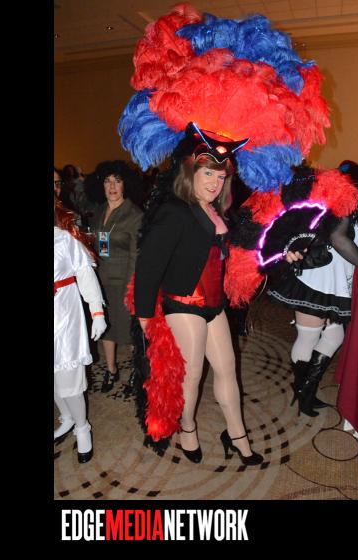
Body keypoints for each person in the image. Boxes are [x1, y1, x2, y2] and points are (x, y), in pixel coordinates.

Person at [132, 125, 263, 466]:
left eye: (220, 176)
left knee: (227, 368)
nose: (215, 182)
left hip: (214, 304)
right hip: (184, 302)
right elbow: (148, 265)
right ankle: (187, 427)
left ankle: (237, 434)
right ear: (190, 172)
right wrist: (145, 316)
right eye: (208, 174)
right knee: (191, 375)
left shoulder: (217, 211)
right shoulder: (174, 210)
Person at [267, 161, 358, 417]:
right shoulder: (342, 207)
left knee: (334, 337)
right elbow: (338, 239)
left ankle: (305, 389)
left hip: (335, 286)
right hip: (315, 283)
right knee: (309, 337)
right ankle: (302, 391)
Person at [54, 197, 107, 463]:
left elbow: (85, 274)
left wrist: (97, 312)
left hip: (65, 316)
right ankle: (66, 417)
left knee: (69, 379)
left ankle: (83, 427)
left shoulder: (63, 240)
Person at [87, 160, 143, 393]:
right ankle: (111, 370)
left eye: (117, 181)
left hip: (123, 282)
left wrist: (131, 288)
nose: (112, 186)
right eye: (107, 181)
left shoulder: (135, 214)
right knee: (106, 328)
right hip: (100, 281)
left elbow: (136, 255)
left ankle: (135, 373)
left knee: (128, 331)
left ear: (125, 185)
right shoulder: (98, 210)